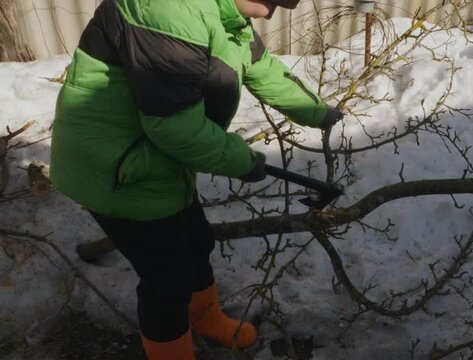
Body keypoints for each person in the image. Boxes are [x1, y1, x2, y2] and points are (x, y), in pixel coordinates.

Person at [49, 0, 342, 358]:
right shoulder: (169, 9)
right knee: (167, 280)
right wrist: (242, 160)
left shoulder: (225, 17)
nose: (284, 5)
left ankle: (206, 319)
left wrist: (316, 111)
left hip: (156, 163)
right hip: (114, 170)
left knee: (196, 242)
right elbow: (172, 126)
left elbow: (262, 67)